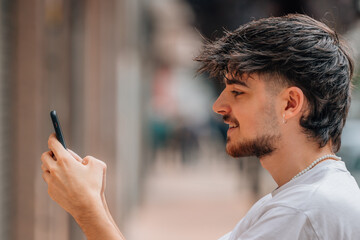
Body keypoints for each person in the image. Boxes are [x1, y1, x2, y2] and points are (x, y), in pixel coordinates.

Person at [41, 14, 360, 240]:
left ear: (290, 104)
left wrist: (86, 210)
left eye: (238, 91)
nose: (218, 105)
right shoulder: (304, 196)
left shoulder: (302, 212)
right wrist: (94, 201)